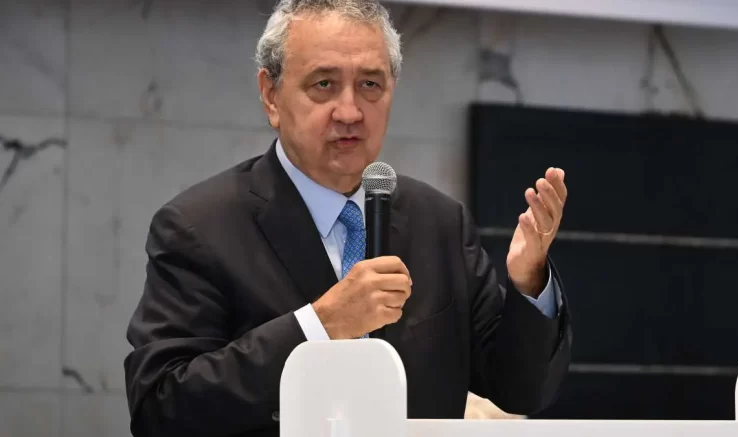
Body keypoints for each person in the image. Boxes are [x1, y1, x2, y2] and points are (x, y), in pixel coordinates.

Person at [123, 1, 572, 436]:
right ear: (271, 95)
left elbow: (521, 389)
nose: (350, 112)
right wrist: (318, 326)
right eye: (324, 84)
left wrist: (528, 281)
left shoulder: (439, 222)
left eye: (370, 85)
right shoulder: (199, 227)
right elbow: (161, 407)